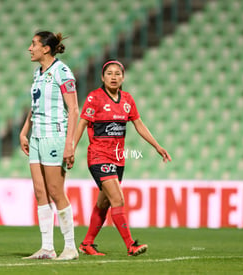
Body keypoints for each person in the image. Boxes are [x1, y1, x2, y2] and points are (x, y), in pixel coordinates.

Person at [74, 59, 171, 256]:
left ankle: (87, 243)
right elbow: (82, 124)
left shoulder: (127, 100)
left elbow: (139, 124)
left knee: (104, 203)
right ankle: (130, 245)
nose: (113, 77)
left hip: (118, 159)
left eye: (117, 73)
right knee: (118, 199)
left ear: (123, 77)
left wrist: (157, 146)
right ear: (102, 77)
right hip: (99, 156)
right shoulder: (95, 98)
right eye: (109, 73)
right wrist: (71, 149)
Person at [20, 31, 79, 260]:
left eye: (33, 44)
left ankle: (71, 247)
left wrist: (69, 143)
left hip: (54, 135)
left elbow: (73, 109)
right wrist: (25, 131)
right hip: (36, 136)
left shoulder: (62, 71)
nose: (29, 48)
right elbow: (34, 105)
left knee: (56, 191)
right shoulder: (38, 73)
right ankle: (47, 247)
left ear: (46, 48)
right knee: (40, 192)